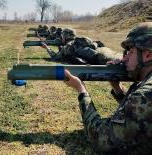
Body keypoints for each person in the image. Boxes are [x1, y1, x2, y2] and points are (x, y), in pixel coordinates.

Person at [64, 22, 152, 154]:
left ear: (148, 55)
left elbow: (103, 141)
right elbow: (140, 117)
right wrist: (117, 88)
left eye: (131, 52)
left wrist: (81, 91)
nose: (125, 58)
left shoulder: (145, 94)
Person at [42, 34, 119, 65]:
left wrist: (47, 48)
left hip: (99, 58)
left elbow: (56, 57)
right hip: (104, 52)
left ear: (64, 38)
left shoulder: (68, 47)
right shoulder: (82, 40)